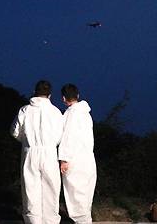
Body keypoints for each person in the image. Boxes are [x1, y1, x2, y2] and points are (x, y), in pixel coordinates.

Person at [10, 80, 64, 224]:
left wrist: (27, 142)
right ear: (50, 95)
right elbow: (59, 136)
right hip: (50, 153)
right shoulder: (56, 112)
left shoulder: (25, 110)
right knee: (51, 190)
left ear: (34, 92)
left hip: (30, 152)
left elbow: (15, 132)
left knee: (30, 190)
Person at [59, 83, 97, 224]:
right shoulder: (86, 113)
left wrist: (64, 158)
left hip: (75, 159)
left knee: (76, 196)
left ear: (63, 98)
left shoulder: (71, 114)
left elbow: (68, 136)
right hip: (88, 159)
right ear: (78, 95)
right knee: (85, 196)